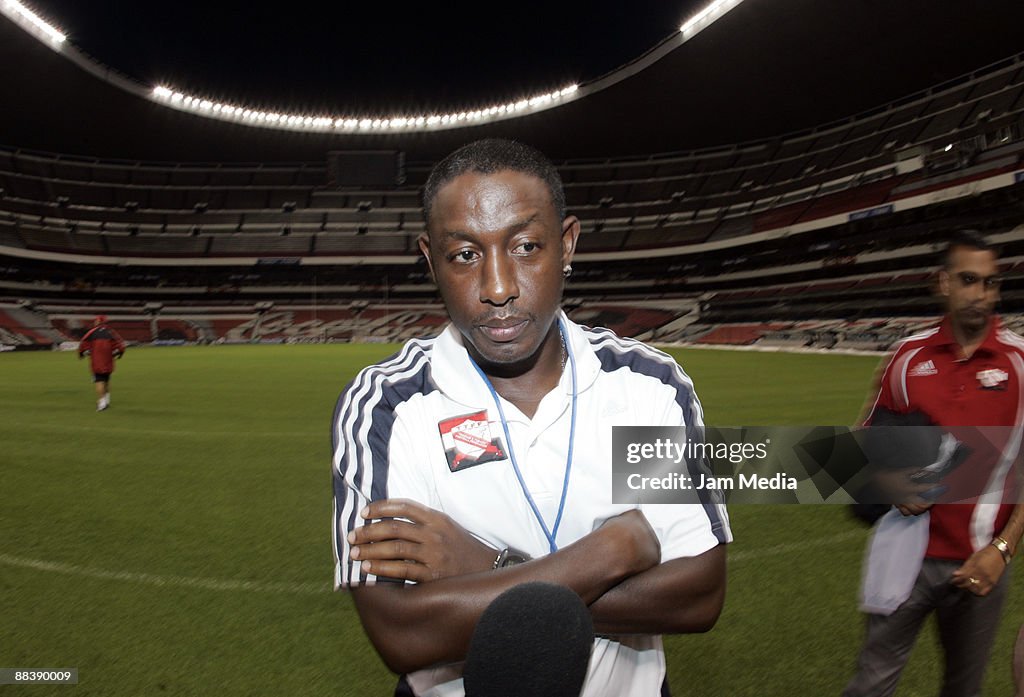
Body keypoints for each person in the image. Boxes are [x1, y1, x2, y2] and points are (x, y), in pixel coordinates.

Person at [331, 139, 731, 697]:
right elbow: (403, 633)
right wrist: (610, 552)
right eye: (465, 255)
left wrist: (485, 569)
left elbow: (698, 594)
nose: (498, 288)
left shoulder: (646, 387)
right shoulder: (387, 406)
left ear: (566, 244)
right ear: (430, 261)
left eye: (524, 246)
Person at [843, 231, 1024, 697]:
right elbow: (867, 442)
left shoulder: (1020, 363)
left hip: (979, 564)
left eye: (990, 283)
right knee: (870, 684)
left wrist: (1002, 549)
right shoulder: (907, 357)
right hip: (903, 555)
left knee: (963, 689)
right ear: (942, 283)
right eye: (968, 280)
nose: (980, 295)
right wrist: (888, 482)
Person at [78, 315, 126, 411]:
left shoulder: (91, 332)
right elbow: (121, 346)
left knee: (99, 381)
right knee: (106, 380)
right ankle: (107, 401)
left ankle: (102, 403)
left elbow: (83, 344)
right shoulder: (111, 332)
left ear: (98, 321)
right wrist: (117, 354)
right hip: (108, 361)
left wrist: (82, 353)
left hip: (96, 361)